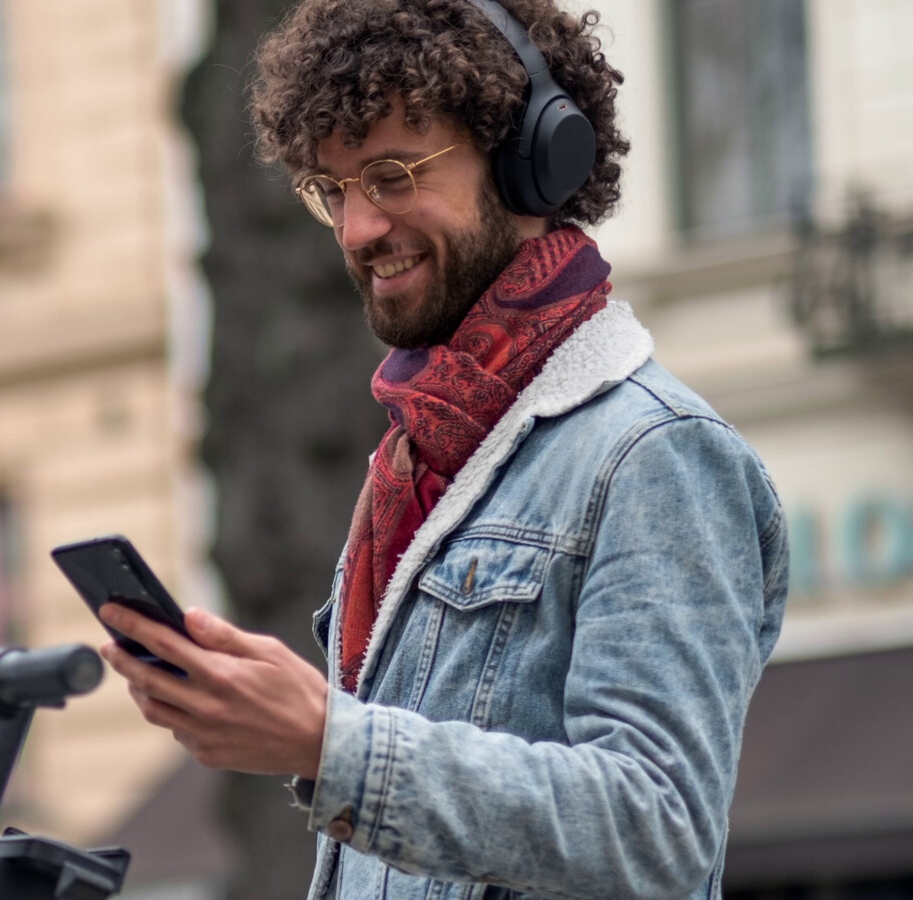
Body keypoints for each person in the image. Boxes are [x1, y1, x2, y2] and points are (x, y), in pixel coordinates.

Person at [96, 0, 788, 897]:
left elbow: (657, 828)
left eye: (390, 174)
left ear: (527, 161)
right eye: (332, 189)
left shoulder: (655, 454)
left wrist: (329, 743)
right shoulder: (419, 464)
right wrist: (297, 733)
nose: (356, 230)